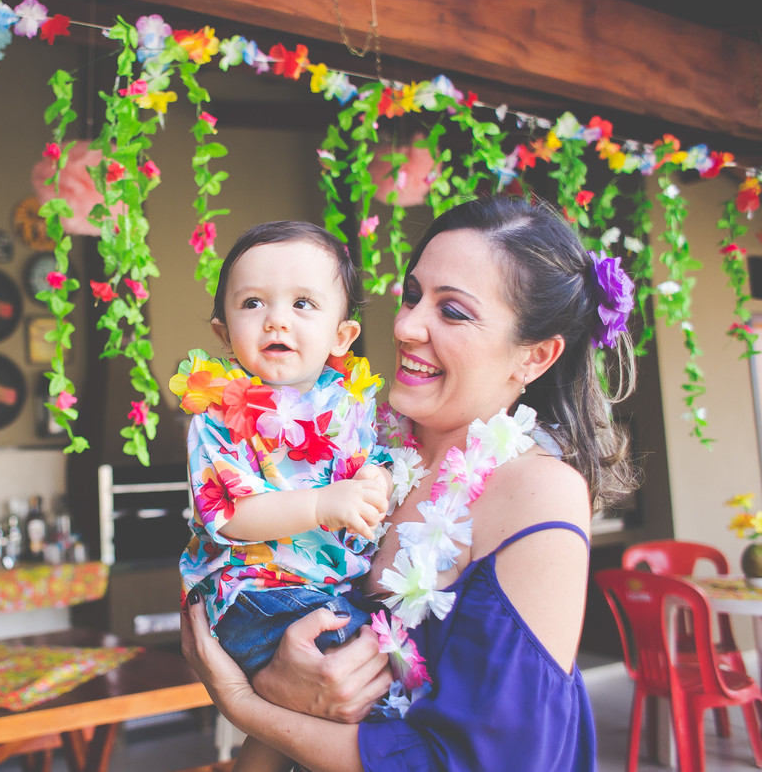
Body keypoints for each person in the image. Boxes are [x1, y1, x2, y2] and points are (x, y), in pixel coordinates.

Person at [181, 196, 637, 771]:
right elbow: (231, 555)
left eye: (454, 312)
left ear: (535, 357)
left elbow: (485, 763)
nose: (405, 325)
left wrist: (248, 703)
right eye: (414, 295)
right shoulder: (363, 440)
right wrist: (274, 673)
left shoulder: (538, 492)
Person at [171, 221, 394, 772]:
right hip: (251, 595)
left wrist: (377, 483)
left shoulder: (349, 401)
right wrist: (322, 505)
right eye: (253, 302)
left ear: (341, 337)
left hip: (324, 589)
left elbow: (378, 464)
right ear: (225, 334)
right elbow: (230, 514)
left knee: (318, 693)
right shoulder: (217, 415)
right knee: (365, 661)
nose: (277, 319)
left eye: (302, 303)